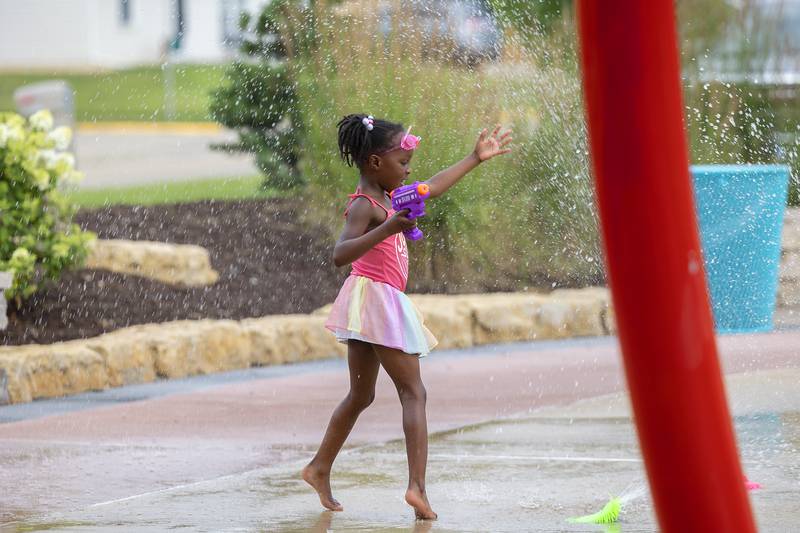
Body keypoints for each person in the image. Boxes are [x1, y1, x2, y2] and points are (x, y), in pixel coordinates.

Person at [302, 113, 512, 520]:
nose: (409, 169)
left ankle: (318, 468)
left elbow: (430, 186)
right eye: (402, 162)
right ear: (375, 163)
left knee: (361, 394)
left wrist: (475, 157)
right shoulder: (365, 204)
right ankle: (417, 488)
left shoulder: (389, 195)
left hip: (368, 302)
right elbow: (339, 255)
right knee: (413, 393)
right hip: (377, 299)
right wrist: (388, 228)